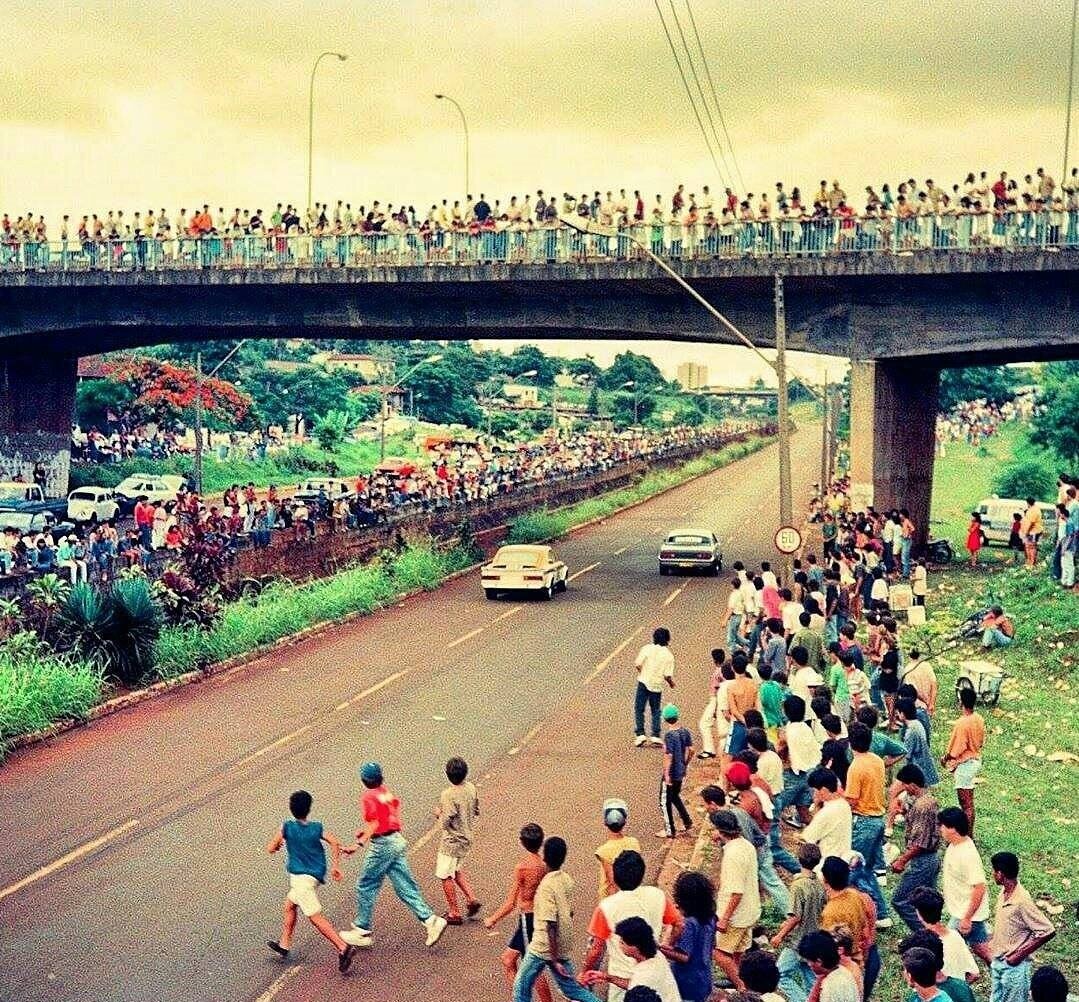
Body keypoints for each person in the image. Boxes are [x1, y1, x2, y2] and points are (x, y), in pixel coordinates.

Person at [339, 762, 448, 949]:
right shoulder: (385, 793)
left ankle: (362, 929)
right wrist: (366, 832)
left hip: (382, 845)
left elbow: (374, 823)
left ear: (364, 780)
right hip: (396, 840)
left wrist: (357, 844)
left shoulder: (368, 797)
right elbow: (384, 819)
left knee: (366, 884)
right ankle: (430, 920)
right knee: (404, 886)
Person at [265, 790, 357, 973]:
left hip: (301, 880)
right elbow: (334, 842)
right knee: (290, 906)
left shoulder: (287, 827)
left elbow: (270, 847)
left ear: (291, 809)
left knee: (315, 918)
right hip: (314, 876)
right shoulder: (317, 828)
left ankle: (343, 947)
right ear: (309, 809)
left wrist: (278, 845)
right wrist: (336, 866)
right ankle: (284, 944)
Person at [581, 849, 681, 1002]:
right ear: (642, 873)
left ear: (614, 877)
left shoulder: (606, 907)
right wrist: (667, 944)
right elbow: (679, 924)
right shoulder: (657, 895)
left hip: (622, 973)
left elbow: (596, 949)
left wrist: (584, 972)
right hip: (651, 965)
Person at [513, 836, 601, 1002]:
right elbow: (568, 912)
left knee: (521, 987)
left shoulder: (546, 886)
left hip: (543, 947)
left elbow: (550, 923)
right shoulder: (566, 880)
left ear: (545, 857)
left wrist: (553, 959)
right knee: (572, 990)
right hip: (561, 945)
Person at [484, 823, 553, 1002]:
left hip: (528, 921)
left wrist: (493, 919)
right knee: (508, 960)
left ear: (522, 842)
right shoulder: (545, 866)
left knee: (533, 968)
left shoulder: (522, 867)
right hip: (539, 918)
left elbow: (511, 902)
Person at [987, 852, 1057, 1002]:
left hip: (1013, 967)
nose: (993, 874)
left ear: (1000, 874)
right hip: (999, 960)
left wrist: (1019, 954)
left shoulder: (1021, 901)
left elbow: (1047, 930)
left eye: (994, 871)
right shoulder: (1004, 893)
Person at [844, 722, 891, 923]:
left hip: (864, 821)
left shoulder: (856, 767)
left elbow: (853, 799)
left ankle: (859, 911)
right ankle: (881, 913)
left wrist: (838, 800)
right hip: (878, 818)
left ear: (850, 743)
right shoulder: (876, 760)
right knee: (868, 869)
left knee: (855, 869)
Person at [711, 809, 762, 989]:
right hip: (750, 910)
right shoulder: (745, 845)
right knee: (739, 951)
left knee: (719, 953)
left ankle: (742, 987)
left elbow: (736, 892)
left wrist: (724, 919)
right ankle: (740, 979)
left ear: (719, 830)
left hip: (735, 916)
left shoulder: (732, 855)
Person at [889, 764, 942, 933]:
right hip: (931, 859)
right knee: (928, 906)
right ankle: (932, 934)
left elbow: (920, 842)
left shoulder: (922, 806)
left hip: (923, 861)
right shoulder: (928, 800)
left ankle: (926, 934)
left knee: (900, 900)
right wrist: (904, 812)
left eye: (904, 784)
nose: (904, 788)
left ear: (912, 784)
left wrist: (902, 860)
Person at [770, 842, 825, 1002]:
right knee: (810, 977)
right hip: (814, 938)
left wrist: (780, 935)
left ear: (798, 859)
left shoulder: (798, 885)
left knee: (780, 975)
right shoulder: (819, 884)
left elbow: (795, 917)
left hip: (798, 940)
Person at [938, 806, 992, 964]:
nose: (940, 829)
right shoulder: (955, 845)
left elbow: (980, 887)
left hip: (965, 914)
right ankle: (1001, 971)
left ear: (953, 829)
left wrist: (967, 918)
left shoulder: (967, 854)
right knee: (981, 947)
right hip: (964, 912)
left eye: (942, 825)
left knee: (945, 949)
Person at [580, 917, 679, 1001]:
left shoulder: (645, 976)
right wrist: (607, 977)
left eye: (622, 942)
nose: (619, 944)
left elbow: (637, 983)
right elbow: (633, 983)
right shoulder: (655, 956)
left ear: (635, 947)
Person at [435, 756, 481, 925]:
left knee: (444, 874)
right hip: (467, 837)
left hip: (452, 841)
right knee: (455, 869)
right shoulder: (470, 788)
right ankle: (471, 898)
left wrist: (439, 814)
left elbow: (445, 822)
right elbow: (476, 809)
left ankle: (454, 912)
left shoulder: (448, 795)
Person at [659, 870, 716, 1002]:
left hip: (687, 981)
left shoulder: (689, 924)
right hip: (704, 976)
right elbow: (712, 944)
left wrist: (660, 948)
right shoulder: (710, 917)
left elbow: (683, 957)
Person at [909, 888, 980, 990]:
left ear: (919, 915)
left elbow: (914, 982)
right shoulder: (955, 936)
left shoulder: (921, 945)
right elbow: (974, 974)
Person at [942, 687, 986, 834]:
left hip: (965, 765)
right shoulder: (978, 719)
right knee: (969, 803)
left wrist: (946, 757)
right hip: (975, 759)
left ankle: (968, 835)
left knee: (965, 804)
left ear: (961, 701)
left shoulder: (962, 723)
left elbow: (956, 749)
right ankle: (969, 833)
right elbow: (980, 742)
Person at [633, 628, 675, 747]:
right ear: (667, 639)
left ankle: (640, 734)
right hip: (656, 685)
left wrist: (642, 672)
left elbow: (637, 664)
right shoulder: (668, 655)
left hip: (643, 681)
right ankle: (655, 735)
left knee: (639, 708)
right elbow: (667, 675)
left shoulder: (647, 648)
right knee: (655, 710)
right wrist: (671, 683)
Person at [804, 767, 853, 863]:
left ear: (823, 790)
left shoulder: (827, 812)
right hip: (842, 859)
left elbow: (808, 838)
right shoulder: (844, 804)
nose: (814, 793)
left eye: (814, 790)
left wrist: (816, 805)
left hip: (826, 863)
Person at [595, 799, 641, 900]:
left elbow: (612, 883)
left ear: (605, 823)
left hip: (611, 901)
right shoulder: (633, 843)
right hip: (632, 894)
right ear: (625, 821)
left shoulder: (604, 851)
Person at [797, 929, 860, 1002]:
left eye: (808, 960)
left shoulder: (829, 987)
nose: (808, 964)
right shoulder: (844, 971)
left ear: (819, 961)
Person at [697, 648, 726, 759]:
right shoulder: (724, 670)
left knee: (704, 723)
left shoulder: (718, 673)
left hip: (716, 700)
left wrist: (716, 707)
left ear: (714, 660)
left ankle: (709, 750)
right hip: (718, 700)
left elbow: (719, 689)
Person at [1019, 497, 1044, 569]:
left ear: (1028, 503)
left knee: (1032, 547)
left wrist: (1026, 531)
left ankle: (1032, 563)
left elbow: (1031, 523)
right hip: (1031, 531)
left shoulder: (1033, 510)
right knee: (1028, 546)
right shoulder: (1034, 509)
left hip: (1033, 531)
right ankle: (1029, 561)